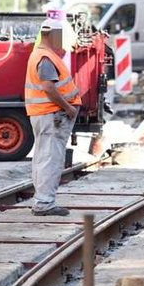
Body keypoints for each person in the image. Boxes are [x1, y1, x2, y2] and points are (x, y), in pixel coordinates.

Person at [25, 16, 82, 216]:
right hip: (53, 115)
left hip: (43, 115)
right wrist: (68, 108)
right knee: (51, 159)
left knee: (42, 158)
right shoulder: (46, 58)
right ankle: (45, 203)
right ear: (53, 35)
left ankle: (41, 200)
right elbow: (49, 88)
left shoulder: (39, 54)